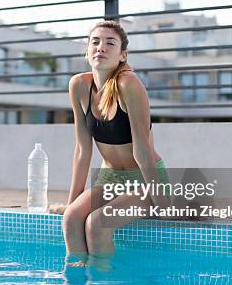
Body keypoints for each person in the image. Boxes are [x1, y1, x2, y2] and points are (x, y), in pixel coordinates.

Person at [57, 20, 171, 266]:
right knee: (71, 219)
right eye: (95, 42)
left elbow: (142, 151)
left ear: (122, 55)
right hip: (110, 179)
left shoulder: (129, 84)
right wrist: (72, 203)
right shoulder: (78, 86)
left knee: (97, 224)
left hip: (144, 180)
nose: (101, 47)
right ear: (87, 52)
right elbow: (82, 150)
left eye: (110, 43)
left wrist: (164, 205)